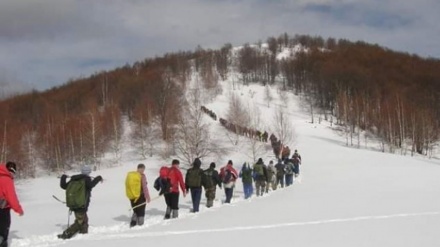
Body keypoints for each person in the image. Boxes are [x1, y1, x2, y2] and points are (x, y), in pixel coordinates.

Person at [57, 165, 103, 239]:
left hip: (75, 203)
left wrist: (63, 177)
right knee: (79, 222)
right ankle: (65, 234)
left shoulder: (74, 179)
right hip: (81, 204)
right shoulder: (86, 179)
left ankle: (83, 235)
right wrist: (98, 178)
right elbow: (91, 185)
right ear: (89, 172)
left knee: (84, 219)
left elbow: (64, 186)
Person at [0, 162, 24, 247]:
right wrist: (18, 209)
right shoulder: (6, 180)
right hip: (2, 209)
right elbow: (11, 196)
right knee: (3, 228)